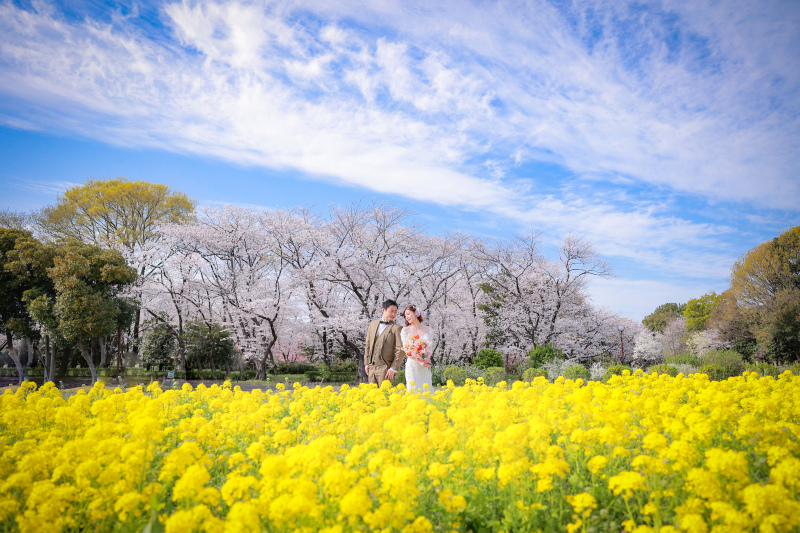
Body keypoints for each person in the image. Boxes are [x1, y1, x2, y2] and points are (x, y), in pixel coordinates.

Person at [364, 299, 405, 385]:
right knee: (371, 396)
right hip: (371, 367)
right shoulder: (372, 324)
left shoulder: (396, 328)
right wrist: (366, 363)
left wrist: (393, 368)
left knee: (384, 395)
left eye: (395, 312)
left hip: (385, 369)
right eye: (391, 311)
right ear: (383, 310)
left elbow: (400, 350)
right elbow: (368, 345)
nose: (394, 314)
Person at [401, 304, 433, 391]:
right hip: (412, 366)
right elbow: (407, 349)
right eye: (405, 316)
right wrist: (419, 361)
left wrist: (427, 358)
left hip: (425, 366)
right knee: (414, 390)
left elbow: (430, 347)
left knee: (427, 390)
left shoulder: (428, 330)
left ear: (415, 312)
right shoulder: (405, 330)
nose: (406, 317)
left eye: (408, 314)